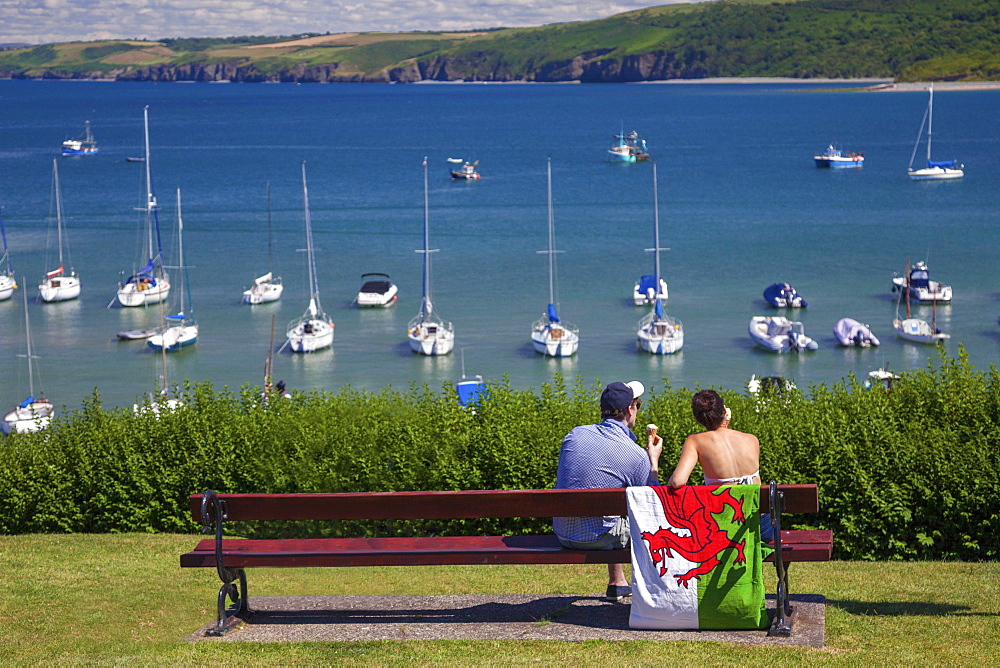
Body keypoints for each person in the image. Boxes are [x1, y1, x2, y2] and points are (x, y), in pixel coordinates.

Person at [553, 380, 663, 602]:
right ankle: (657, 594)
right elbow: (652, 505)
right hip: (597, 538)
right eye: (638, 405)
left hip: (564, 532)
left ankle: (617, 582)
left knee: (613, 504)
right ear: (629, 410)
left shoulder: (574, 435)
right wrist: (653, 463)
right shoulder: (635, 455)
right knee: (642, 522)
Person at [667, 389, 774, 542]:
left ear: (698, 420)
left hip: (725, 527)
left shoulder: (695, 441)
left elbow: (678, 481)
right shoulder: (752, 439)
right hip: (760, 527)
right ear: (724, 411)